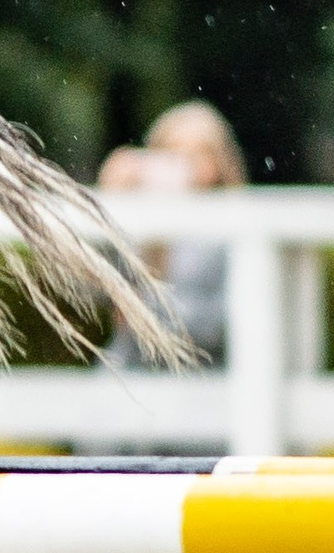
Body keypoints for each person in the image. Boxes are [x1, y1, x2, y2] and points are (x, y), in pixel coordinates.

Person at [97, 99, 246, 368]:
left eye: (196, 154)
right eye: (171, 152)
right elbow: (88, 291)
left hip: (199, 373)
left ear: (218, 163)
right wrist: (106, 205)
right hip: (131, 368)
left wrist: (145, 309)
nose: (182, 165)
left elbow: (222, 325)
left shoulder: (232, 231)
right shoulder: (139, 222)